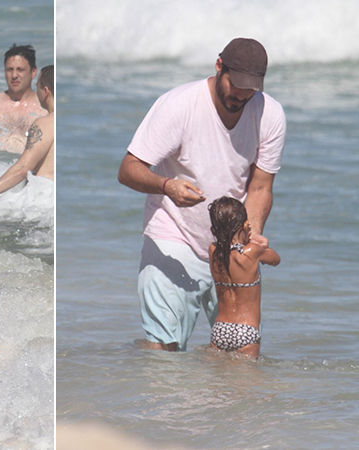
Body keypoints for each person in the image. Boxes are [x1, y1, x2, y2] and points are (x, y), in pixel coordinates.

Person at [117, 37, 286, 352]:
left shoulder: (270, 115)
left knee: (236, 366)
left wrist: (253, 234)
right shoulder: (179, 105)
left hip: (230, 245)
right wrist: (167, 186)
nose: (241, 95)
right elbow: (128, 168)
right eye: (236, 85)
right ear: (219, 66)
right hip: (174, 233)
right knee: (162, 351)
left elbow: (261, 186)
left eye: (250, 89)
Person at [0, 65, 54, 207]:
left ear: (46, 91)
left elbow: (22, 168)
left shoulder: (44, 123)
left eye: (38, 87)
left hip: (41, 201)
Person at [207, 197, 280, 359]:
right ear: (246, 225)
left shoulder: (213, 251)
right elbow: (276, 260)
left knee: (218, 378)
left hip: (220, 329)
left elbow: (226, 246)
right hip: (246, 330)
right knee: (245, 382)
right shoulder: (253, 251)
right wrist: (261, 243)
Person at [0, 44, 47, 153]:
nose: (14, 75)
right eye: (9, 69)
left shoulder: (44, 109)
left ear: (33, 72)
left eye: (20, 69)